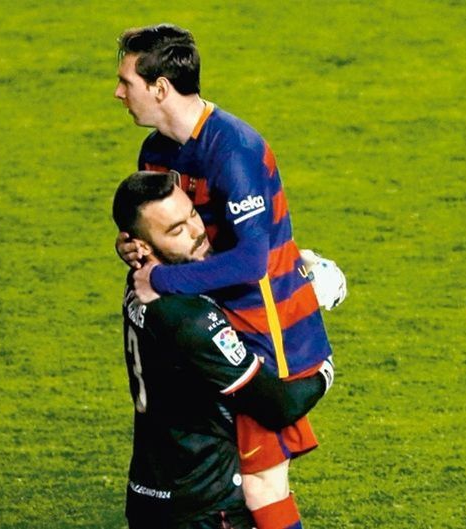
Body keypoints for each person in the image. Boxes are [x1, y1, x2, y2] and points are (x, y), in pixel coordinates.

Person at [114, 24, 342, 529]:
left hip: (264, 323)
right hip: (211, 315)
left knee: (261, 482)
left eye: (126, 81)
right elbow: (155, 230)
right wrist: (131, 246)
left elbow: (251, 262)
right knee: (229, 470)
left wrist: (161, 282)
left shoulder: (232, 149)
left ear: (159, 88)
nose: (118, 93)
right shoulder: (156, 152)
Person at [112, 171, 329, 529]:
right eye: (176, 230)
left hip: (150, 494)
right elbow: (278, 406)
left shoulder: (139, 282)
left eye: (192, 214)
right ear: (144, 245)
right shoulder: (192, 320)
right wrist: (324, 372)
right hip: (206, 504)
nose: (196, 231)